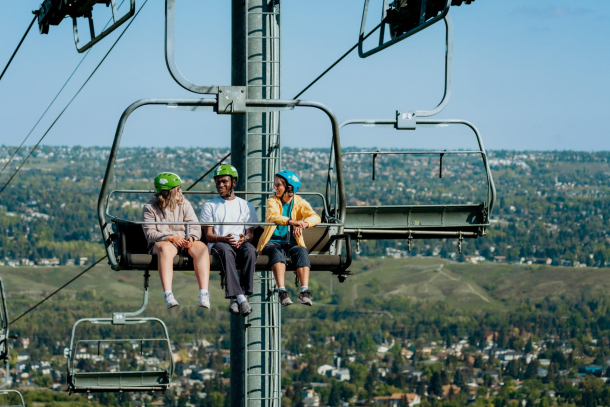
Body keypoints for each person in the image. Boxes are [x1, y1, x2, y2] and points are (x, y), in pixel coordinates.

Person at [142, 172, 211, 310]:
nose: (180, 191)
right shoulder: (150, 208)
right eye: (177, 189)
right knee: (166, 249)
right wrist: (170, 237)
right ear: (168, 192)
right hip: (163, 242)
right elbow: (150, 233)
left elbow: (195, 226)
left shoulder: (185, 204)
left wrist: (191, 237)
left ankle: (204, 293)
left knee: (202, 248)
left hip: (184, 240)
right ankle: (168, 294)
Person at [200, 165, 258, 317]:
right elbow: (208, 235)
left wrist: (243, 239)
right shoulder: (209, 205)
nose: (220, 185)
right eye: (218, 182)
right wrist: (224, 239)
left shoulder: (246, 206)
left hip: (239, 242)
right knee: (225, 251)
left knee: (251, 251)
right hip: (219, 242)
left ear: (234, 182)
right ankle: (241, 298)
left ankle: (237, 297)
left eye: (224, 182)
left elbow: (250, 235)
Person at [257, 170, 321, 307]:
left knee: (302, 251)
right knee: (277, 252)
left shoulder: (300, 203)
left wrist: (304, 223)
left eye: (278, 185)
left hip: (292, 242)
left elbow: (316, 217)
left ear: (289, 188)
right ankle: (282, 291)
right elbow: (274, 216)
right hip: (273, 241)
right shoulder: (272, 201)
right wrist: (293, 222)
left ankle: (304, 291)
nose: (275, 188)